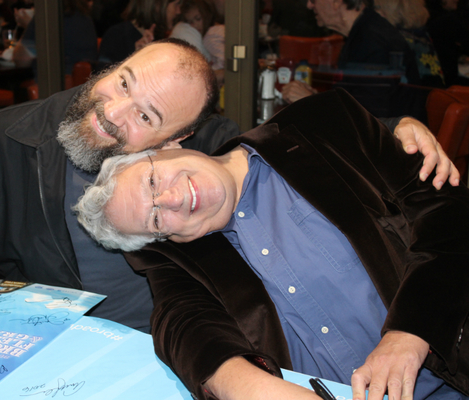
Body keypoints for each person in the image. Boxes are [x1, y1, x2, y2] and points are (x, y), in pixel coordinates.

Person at [0, 39, 456, 335]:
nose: (114, 112)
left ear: (178, 139)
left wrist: (390, 133)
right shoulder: (8, 138)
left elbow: (290, 143)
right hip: (69, 338)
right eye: (122, 82)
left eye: (147, 118)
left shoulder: (201, 156)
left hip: (182, 337)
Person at [74, 88, 469, 400]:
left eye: (153, 181)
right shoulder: (180, 253)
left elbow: (447, 217)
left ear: (167, 147)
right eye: (156, 218)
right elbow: (182, 326)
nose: (173, 199)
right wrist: (253, 388)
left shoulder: (323, 123)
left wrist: (409, 333)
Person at [282, 0, 420, 105]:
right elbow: (355, 100)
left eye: (313, 0)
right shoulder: (364, 31)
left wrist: (311, 101)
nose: (309, 5)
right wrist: (317, 96)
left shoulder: (373, 42)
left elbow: (368, 118)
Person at [374, 0, 445, 87]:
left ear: (391, 11)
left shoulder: (396, 40)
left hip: (415, 93)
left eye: (377, 8)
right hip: (431, 92)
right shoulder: (420, 35)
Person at [97, 0, 181, 69]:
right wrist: (135, 60)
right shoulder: (116, 36)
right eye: (176, 4)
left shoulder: (159, 38)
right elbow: (101, 80)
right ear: (157, 5)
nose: (178, 11)